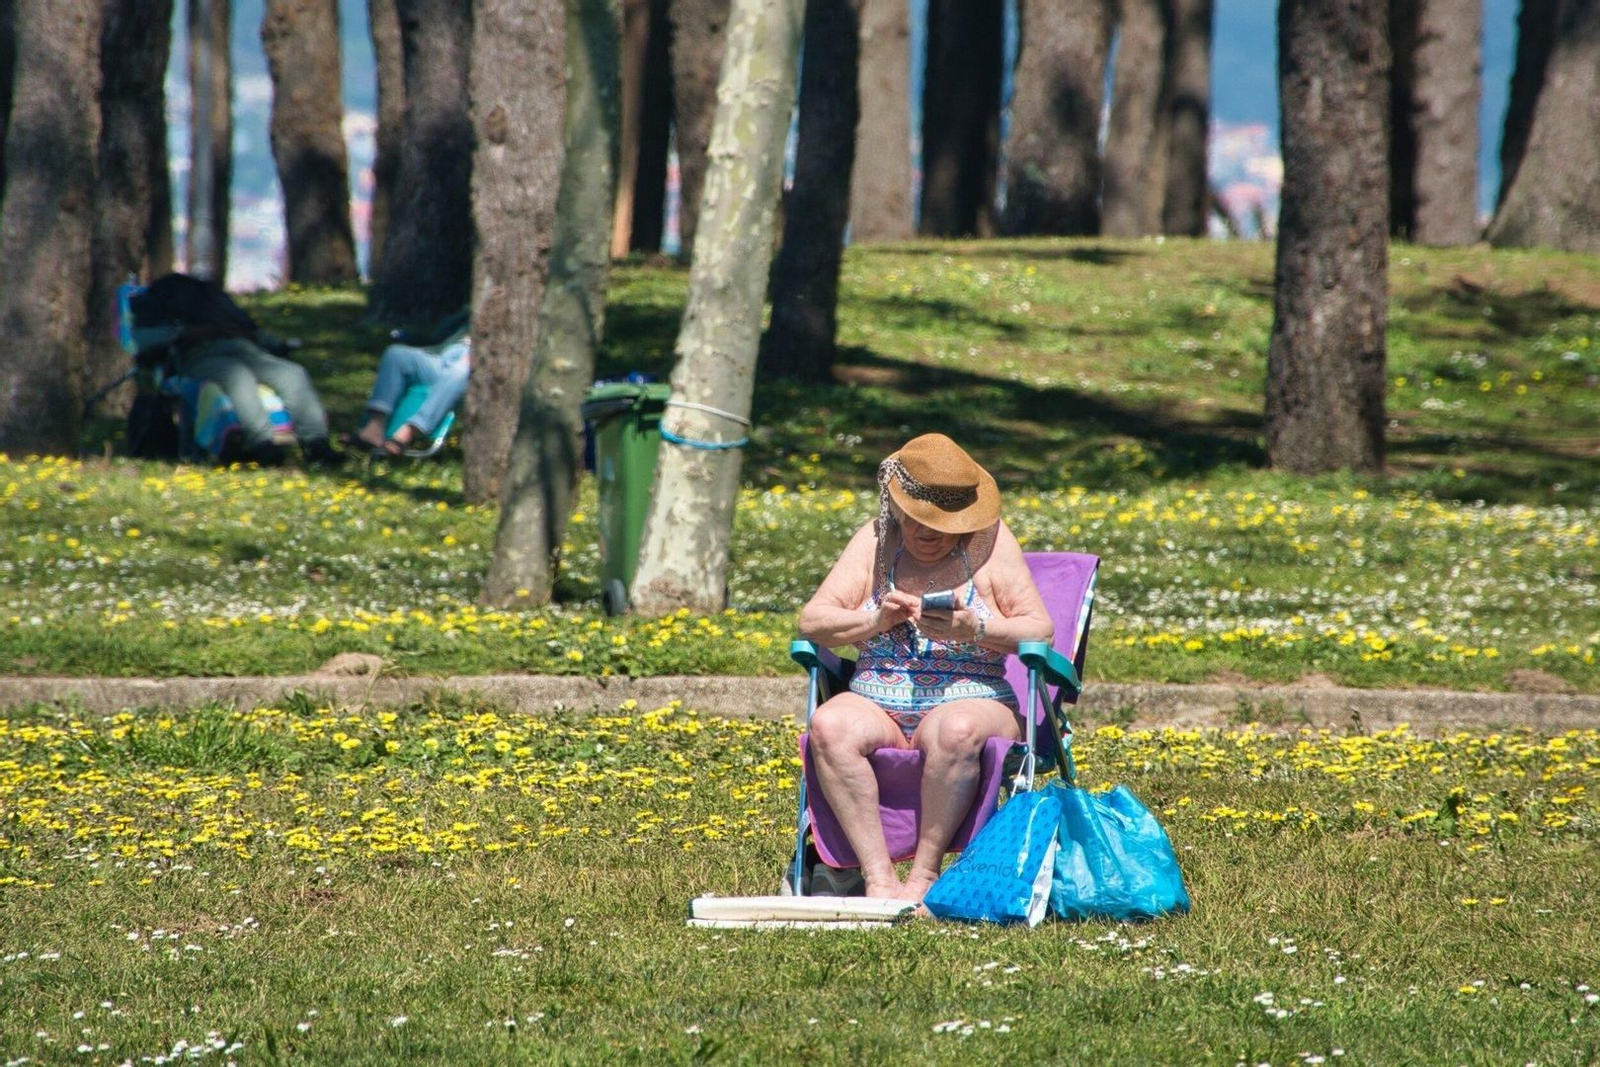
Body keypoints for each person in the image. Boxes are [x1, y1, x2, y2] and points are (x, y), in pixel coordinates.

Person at [798, 433, 1053, 903]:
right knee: (829, 724)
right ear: (895, 507)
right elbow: (813, 621)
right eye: (916, 520)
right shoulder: (875, 541)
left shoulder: (993, 545)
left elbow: (1039, 631)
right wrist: (873, 620)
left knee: (954, 730)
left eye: (941, 523)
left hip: (973, 695)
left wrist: (972, 629)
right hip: (878, 697)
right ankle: (876, 878)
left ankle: (925, 877)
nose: (927, 533)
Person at [133, 272, 345, 468]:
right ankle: (263, 444)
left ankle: (316, 443)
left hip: (245, 349)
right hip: (201, 356)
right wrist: (190, 332)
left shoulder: (214, 300)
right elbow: (146, 341)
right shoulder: (156, 304)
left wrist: (264, 340)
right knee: (238, 378)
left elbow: (253, 330)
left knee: (293, 374)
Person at [345, 334, 471, 455]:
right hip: (451, 354)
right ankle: (374, 427)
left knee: (461, 372)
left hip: (472, 364)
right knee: (396, 354)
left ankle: (408, 432)